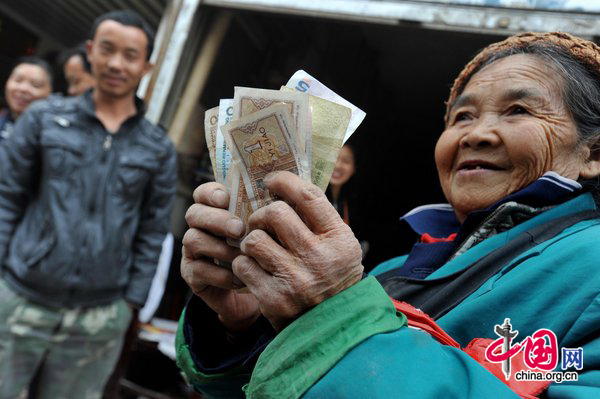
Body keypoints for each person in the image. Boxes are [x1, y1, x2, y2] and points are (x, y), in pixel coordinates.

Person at [176, 31, 600, 398]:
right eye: (463, 116)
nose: (476, 134)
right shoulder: (395, 267)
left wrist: (331, 316)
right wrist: (246, 325)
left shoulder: (590, 269)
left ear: (593, 153)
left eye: (518, 111)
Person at [0, 10, 176, 399]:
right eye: (108, 50)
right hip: (20, 298)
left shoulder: (157, 148)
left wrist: (130, 304)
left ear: (147, 66)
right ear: (91, 52)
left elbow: (152, 230)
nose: (116, 63)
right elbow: (8, 197)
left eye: (130, 55)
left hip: (99, 316)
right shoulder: (45, 119)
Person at [325, 143, 369, 259]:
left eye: (346, 161)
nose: (338, 165)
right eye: (334, 158)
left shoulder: (355, 204)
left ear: (354, 168)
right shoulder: (312, 196)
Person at [0, 57, 52, 141]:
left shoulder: (51, 137)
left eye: (36, 84)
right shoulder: (2, 117)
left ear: (50, 93)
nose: (23, 89)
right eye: (18, 80)